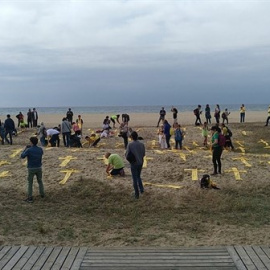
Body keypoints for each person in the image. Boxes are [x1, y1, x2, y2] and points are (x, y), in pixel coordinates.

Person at [20, 136, 45, 203]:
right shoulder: (40, 149)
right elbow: (41, 154)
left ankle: (30, 197)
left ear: (31, 142)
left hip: (31, 168)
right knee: (40, 181)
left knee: (30, 182)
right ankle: (42, 194)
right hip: (39, 167)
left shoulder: (29, 150)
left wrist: (25, 149)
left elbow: (22, 156)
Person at [125, 131, 145, 199]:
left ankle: (136, 194)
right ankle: (141, 189)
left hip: (134, 163)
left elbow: (127, 154)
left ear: (132, 137)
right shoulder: (142, 144)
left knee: (134, 178)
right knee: (138, 176)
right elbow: (143, 154)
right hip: (141, 162)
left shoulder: (130, 145)